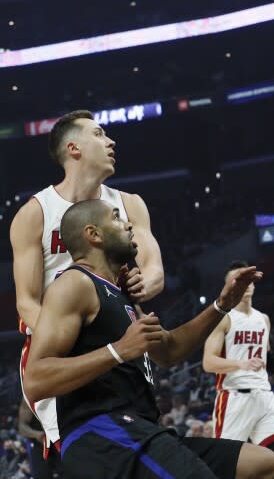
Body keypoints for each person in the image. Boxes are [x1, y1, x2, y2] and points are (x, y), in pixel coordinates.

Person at [22, 199, 274, 478]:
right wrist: (118, 350)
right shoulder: (74, 284)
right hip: (101, 435)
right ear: (94, 234)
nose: (128, 224)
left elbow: (169, 351)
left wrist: (221, 305)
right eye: (116, 218)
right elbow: (36, 380)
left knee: (265, 467)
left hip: (141, 429)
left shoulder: (122, 293)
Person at [10, 109, 165, 461]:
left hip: (120, 344)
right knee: (89, 453)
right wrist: (76, 341)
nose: (110, 141)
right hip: (59, 354)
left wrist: (145, 283)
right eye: (98, 134)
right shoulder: (35, 213)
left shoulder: (129, 205)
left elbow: (154, 268)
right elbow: (27, 302)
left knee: (140, 445)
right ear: (73, 148)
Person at [203, 260, 274, 478]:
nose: (245, 284)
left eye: (248, 279)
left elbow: (268, 359)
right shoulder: (222, 318)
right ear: (229, 285)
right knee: (221, 470)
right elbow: (208, 363)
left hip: (264, 399)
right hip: (234, 401)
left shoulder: (262, 319)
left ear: (254, 284)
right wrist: (241, 364)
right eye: (238, 280)